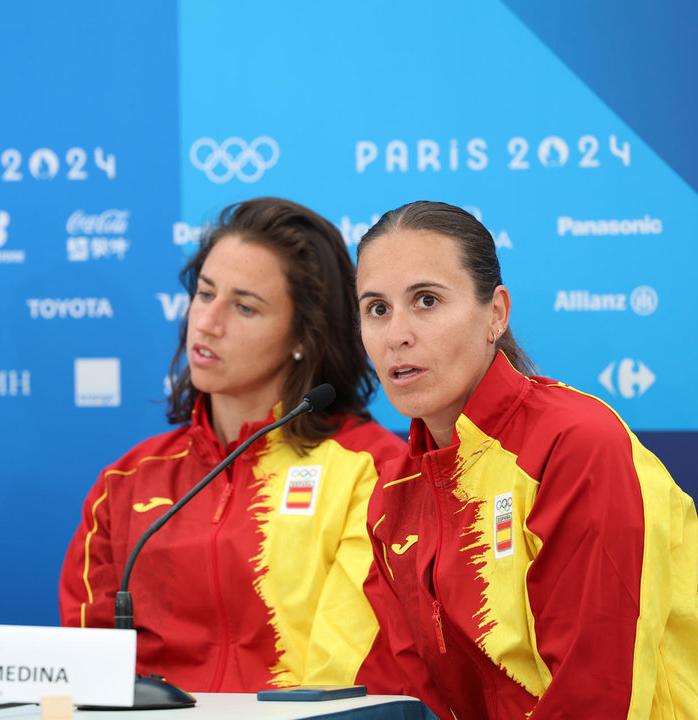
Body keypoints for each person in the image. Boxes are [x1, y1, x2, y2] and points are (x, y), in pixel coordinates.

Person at [354, 200, 698, 719]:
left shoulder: (576, 443)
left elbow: (596, 693)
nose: (397, 334)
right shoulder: (393, 497)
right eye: (377, 309)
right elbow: (398, 693)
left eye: (426, 301)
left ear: (495, 313)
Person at [59, 197, 406, 693]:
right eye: (204, 294)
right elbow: (88, 672)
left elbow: (345, 684)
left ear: (303, 335)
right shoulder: (128, 480)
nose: (208, 323)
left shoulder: (373, 471)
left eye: (244, 307)